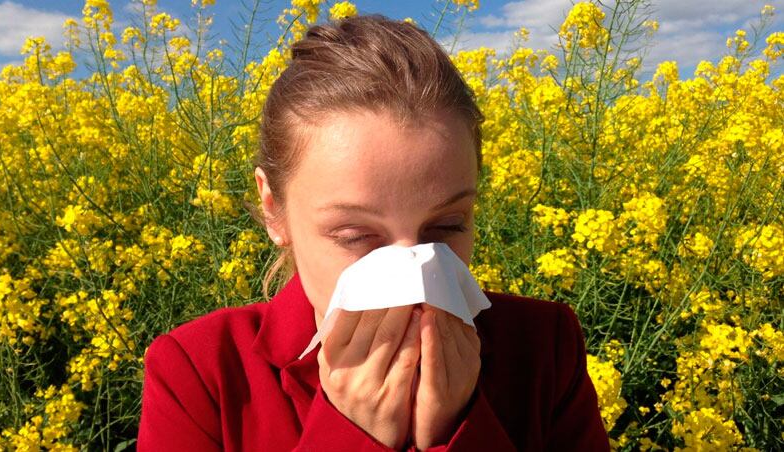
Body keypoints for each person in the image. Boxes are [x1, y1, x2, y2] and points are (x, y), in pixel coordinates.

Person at [136, 14, 610, 451]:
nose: (414, 276)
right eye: (355, 235)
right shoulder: (202, 373)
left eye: (447, 226)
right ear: (274, 209)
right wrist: (350, 435)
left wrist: (459, 426)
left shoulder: (544, 347)